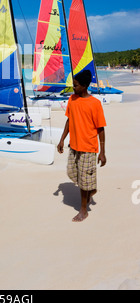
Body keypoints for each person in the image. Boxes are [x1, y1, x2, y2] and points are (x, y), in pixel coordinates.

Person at [57, 70, 107, 222]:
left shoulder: (95, 104)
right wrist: (62, 140)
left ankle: (83, 210)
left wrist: (102, 152)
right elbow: (69, 121)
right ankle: (92, 189)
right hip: (74, 146)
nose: (73, 88)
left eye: (76, 85)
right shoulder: (72, 99)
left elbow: (101, 128)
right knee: (73, 174)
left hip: (88, 148)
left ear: (84, 86)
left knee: (83, 181)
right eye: (73, 85)